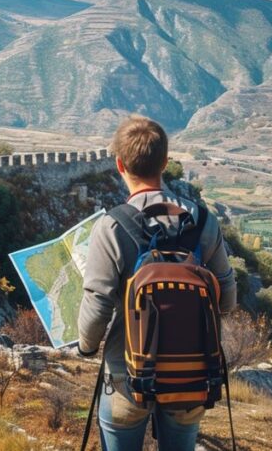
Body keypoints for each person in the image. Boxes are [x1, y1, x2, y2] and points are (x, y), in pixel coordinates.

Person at [78, 115, 237, 451]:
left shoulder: (112, 227)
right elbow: (227, 300)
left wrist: (86, 346)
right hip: (191, 377)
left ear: (119, 164)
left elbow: (97, 303)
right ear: (165, 162)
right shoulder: (203, 222)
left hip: (126, 375)